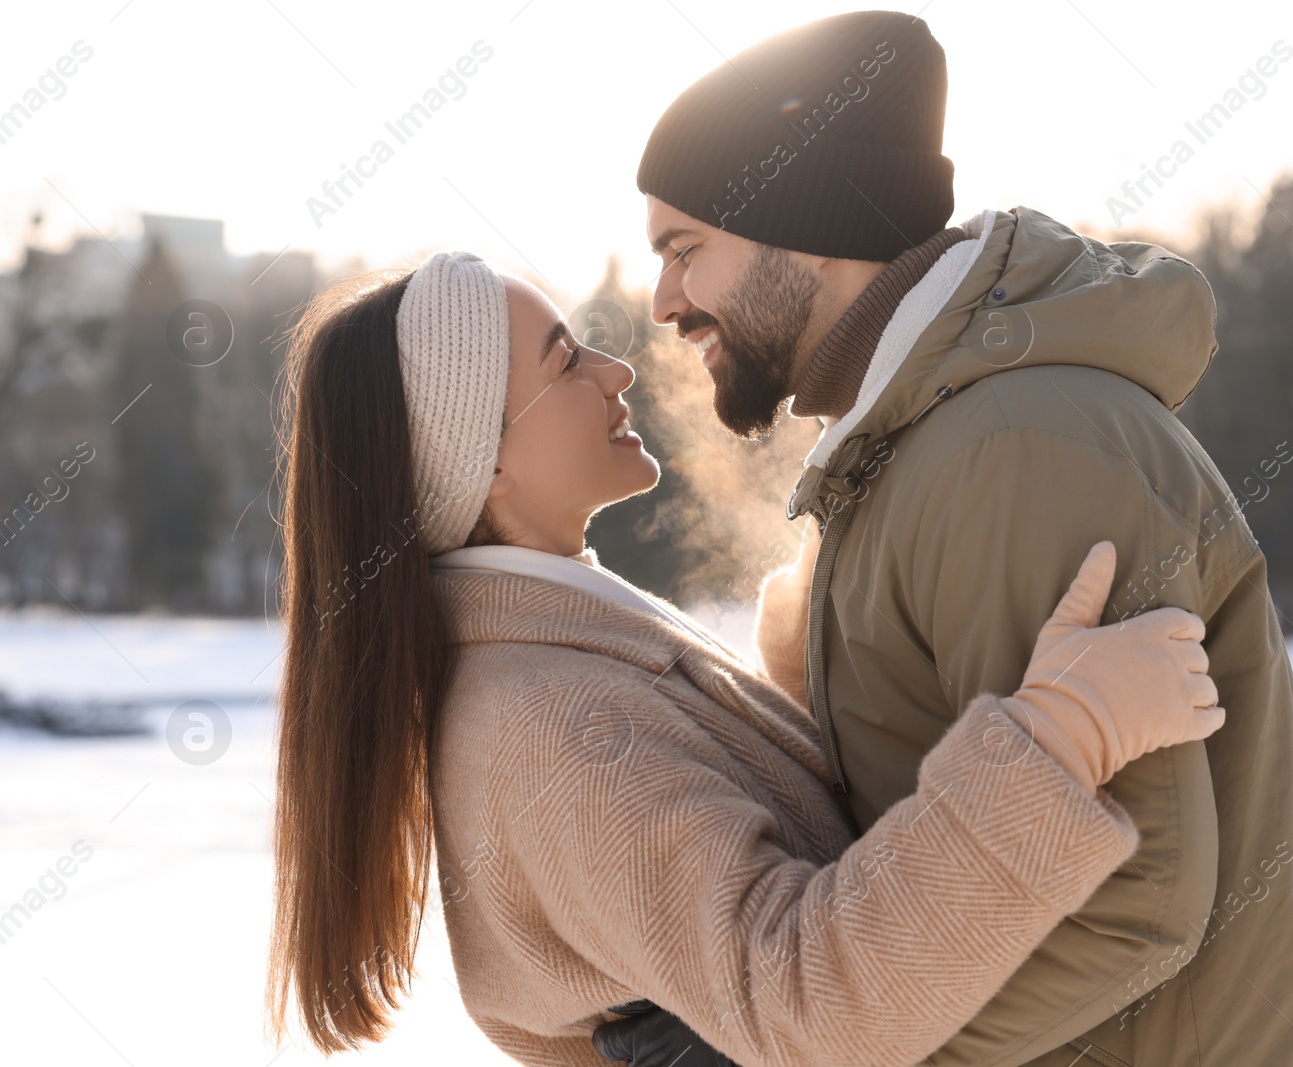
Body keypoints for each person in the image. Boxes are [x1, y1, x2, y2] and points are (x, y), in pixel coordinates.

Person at [618, 9, 1293, 1066]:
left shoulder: (1016, 444)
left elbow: (1128, 899)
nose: (663, 299)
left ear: (801, 226)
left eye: (683, 249)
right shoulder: (918, 447)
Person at [263, 250, 1225, 1066]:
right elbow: (803, 996)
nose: (616, 370)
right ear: (484, 460)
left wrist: (804, 679)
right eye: (565, 365)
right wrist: (1067, 733)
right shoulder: (542, 723)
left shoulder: (556, 647)